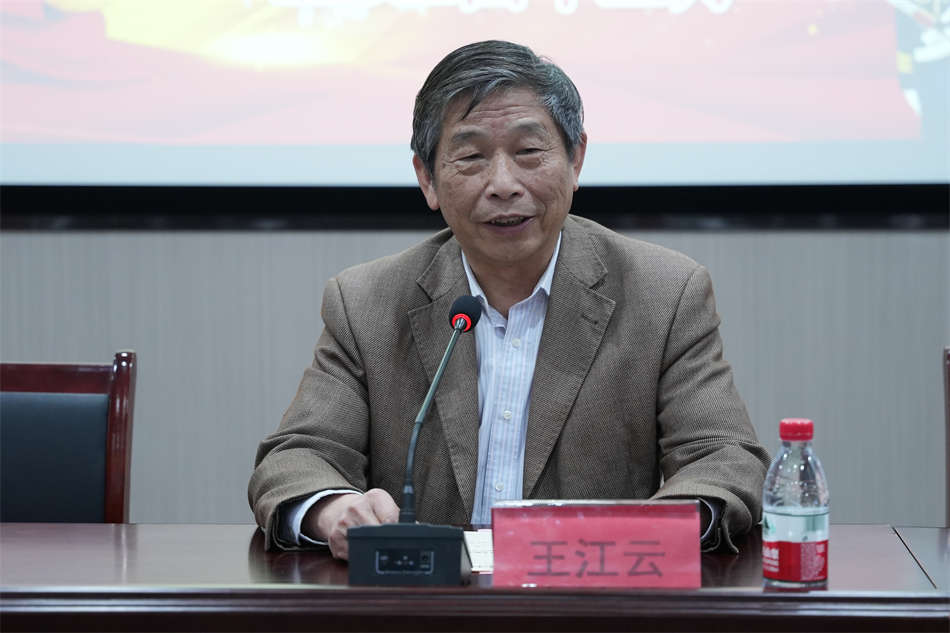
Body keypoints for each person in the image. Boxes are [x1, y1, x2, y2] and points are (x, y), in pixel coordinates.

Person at [249, 40, 770, 559]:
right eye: (471, 157)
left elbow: (724, 457)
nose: (503, 184)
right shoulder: (367, 303)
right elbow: (298, 457)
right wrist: (335, 510)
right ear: (427, 179)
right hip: (423, 594)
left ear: (576, 159)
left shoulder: (663, 294)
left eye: (528, 153)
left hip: (590, 591)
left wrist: (644, 533)